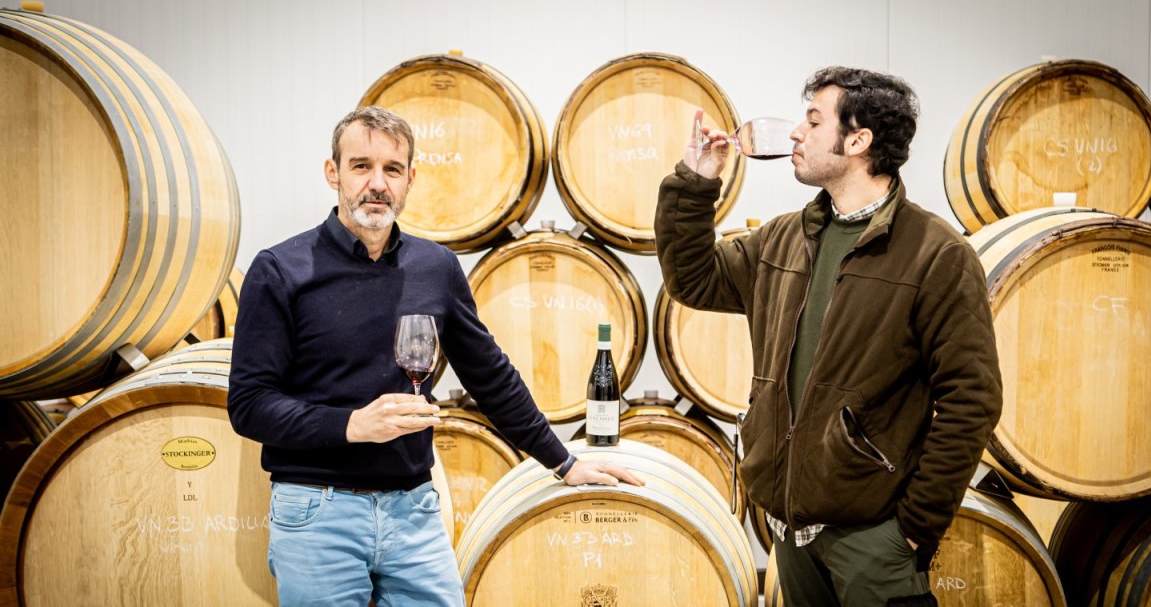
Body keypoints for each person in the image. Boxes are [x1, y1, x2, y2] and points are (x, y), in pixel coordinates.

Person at [227, 106, 642, 607]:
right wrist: (351, 425)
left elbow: (489, 375)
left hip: (413, 510)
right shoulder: (281, 270)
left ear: (410, 179)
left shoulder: (435, 267)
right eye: (361, 166)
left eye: (392, 169)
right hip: (318, 511)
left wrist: (563, 462)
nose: (376, 183)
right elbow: (249, 404)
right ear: (332, 173)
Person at [655, 67, 1002, 606]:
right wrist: (696, 183)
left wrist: (911, 529)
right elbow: (692, 280)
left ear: (858, 140)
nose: (796, 132)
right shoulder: (783, 239)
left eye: (814, 121)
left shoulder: (935, 255)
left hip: (873, 542)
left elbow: (971, 400)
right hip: (790, 535)